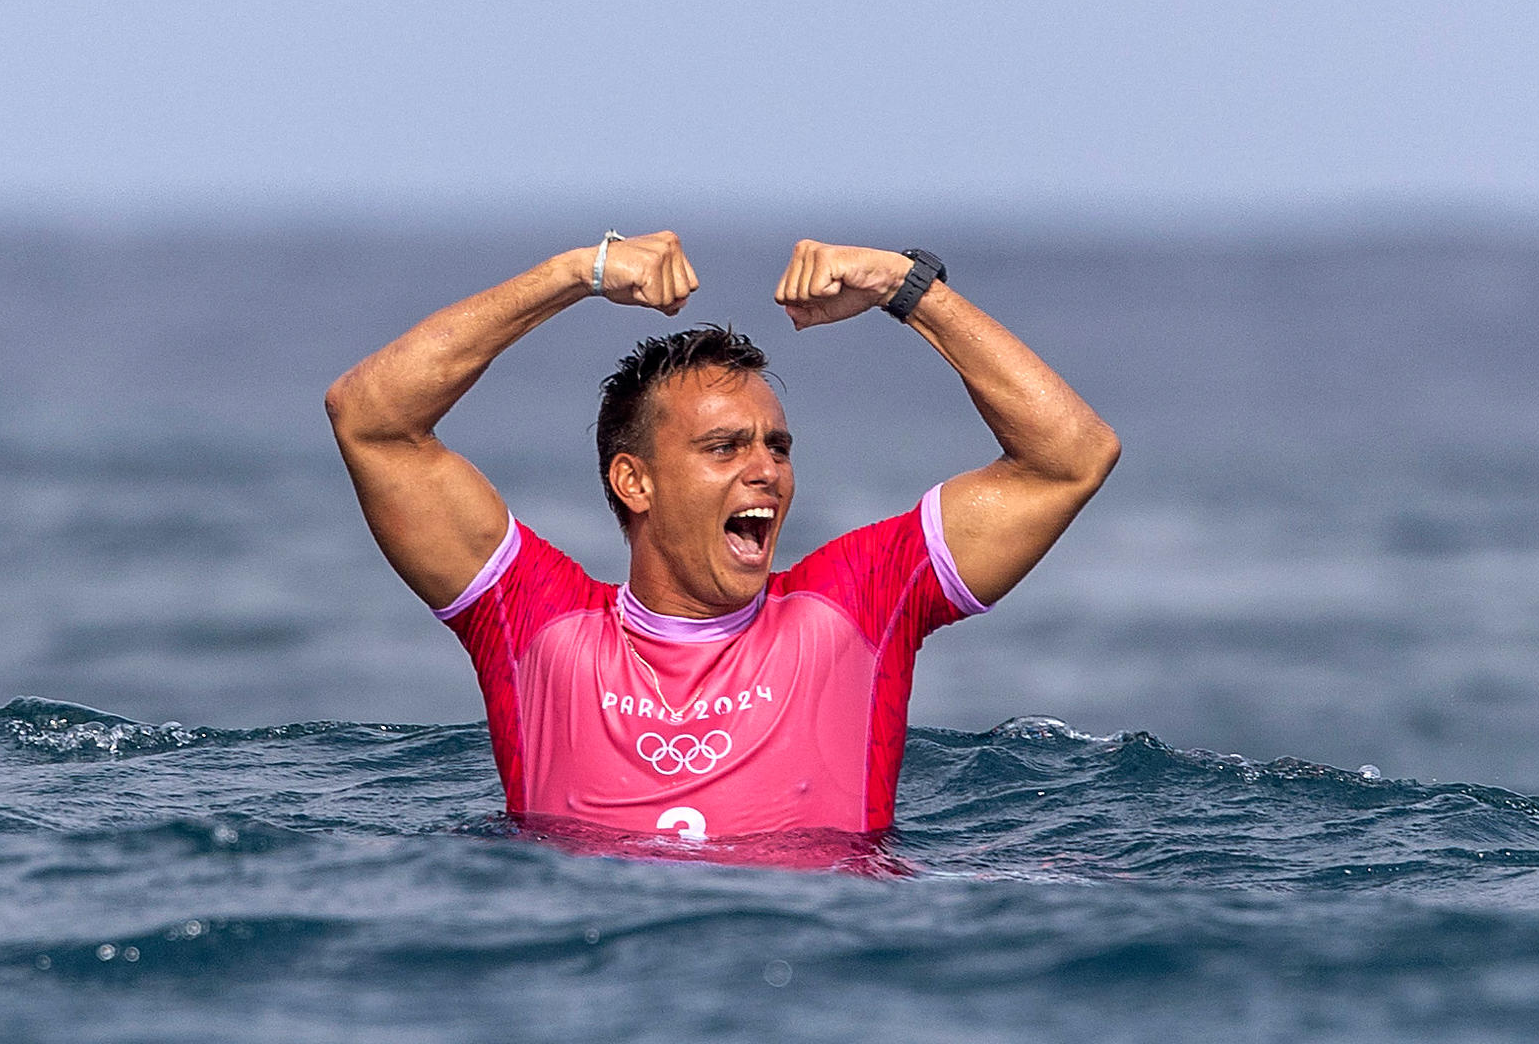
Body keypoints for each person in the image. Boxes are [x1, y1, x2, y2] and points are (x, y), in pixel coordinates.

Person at [324, 233, 1119, 853]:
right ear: (634, 482)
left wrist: (904, 289)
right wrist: (576, 273)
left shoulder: (860, 602)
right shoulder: (533, 620)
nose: (766, 470)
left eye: (778, 446)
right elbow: (371, 418)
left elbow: (1070, 458)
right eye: (724, 448)